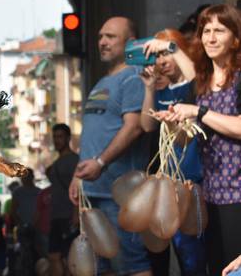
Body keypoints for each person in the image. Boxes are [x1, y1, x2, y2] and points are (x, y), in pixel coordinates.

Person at [157, 4, 241, 276]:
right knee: (216, 269)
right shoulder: (201, 82)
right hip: (209, 196)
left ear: (235, 38)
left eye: (220, 30)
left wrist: (200, 111)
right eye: (206, 31)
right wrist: (174, 126)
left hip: (237, 195)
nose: (211, 38)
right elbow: (189, 137)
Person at [68, 16, 150, 276]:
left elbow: (134, 127)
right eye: (101, 36)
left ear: (131, 42)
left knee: (132, 264)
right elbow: (93, 133)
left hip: (120, 193)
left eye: (110, 37)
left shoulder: (133, 78)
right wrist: (77, 176)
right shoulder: (102, 82)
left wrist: (101, 163)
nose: (102, 42)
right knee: (100, 268)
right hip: (92, 191)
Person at [140, 30, 205, 276]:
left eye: (166, 52)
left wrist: (172, 48)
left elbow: (197, 82)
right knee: (187, 259)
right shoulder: (162, 91)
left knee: (203, 256)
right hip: (173, 186)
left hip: (199, 180)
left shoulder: (194, 85)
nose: (161, 60)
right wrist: (148, 89)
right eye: (155, 56)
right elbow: (147, 126)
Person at [46, 124, 79, 276]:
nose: (57, 140)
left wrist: (76, 214)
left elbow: (79, 189)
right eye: (55, 137)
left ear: (68, 138)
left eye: (60, 136)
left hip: (68, 216)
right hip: (55, 215)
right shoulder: (58, 162)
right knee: (54, 256)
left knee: (69, 260)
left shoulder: (74, 160)